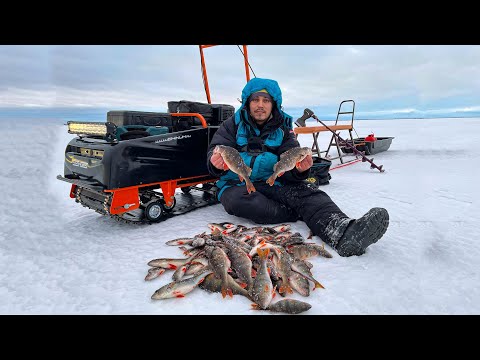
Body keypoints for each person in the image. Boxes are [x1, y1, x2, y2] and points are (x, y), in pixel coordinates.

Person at [206, 77, 389, 257]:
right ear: (247, 102)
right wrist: (215, 163)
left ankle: (343, 232)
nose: (260, 105)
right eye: (255, 99)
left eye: (266, 100)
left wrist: (299, 170)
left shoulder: (284, 130)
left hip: (273, 181)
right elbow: (214, 152)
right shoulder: (231, 125)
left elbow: (291, 161)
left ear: (274, 104)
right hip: (236, 184)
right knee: (240, 202)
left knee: (310, 192)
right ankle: (297, 212)